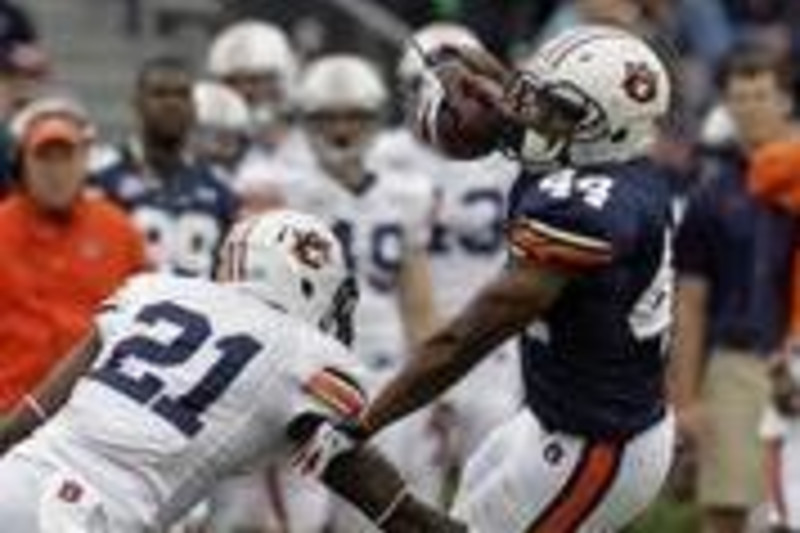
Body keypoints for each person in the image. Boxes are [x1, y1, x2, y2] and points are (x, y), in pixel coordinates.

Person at [319, 25, 678, 531]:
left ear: (604, 129)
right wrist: (474, 63)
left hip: (597, 446)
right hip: (554, 417)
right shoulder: (603, 158)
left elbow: (463, 340)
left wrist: (362, 425)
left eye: (556, 109)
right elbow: (550, 122)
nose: (532, 113)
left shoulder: (586, 212)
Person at [0, 209, 466, 533]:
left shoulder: (151, 292)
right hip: (86, 517)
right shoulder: (302, 357)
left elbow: (31, 416)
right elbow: (386, 503)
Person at [235, 53, 440, 532]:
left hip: (385, 379)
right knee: (297, 520)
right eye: (328, 117)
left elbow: (418, 300)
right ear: (306, 122)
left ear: (374, 120)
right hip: (307, 382)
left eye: (354, 116)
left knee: (371, 520)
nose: (342, 129)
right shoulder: (275, 190)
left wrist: (434, 388)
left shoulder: (407, 193)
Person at [371, 21, 523, 504]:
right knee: (409, 484)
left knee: (497, 483)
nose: (443, 100)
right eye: (423, 87)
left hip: (492, 335)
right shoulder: (383, 157)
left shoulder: (505, 155)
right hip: (411, 338)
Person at [672, 46, 797, 533]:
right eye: (739, 97)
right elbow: (690, 303)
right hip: (737, 360)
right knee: (725, 511)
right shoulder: (712, 194)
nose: (751, 107)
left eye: (762, 95)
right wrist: (686, 400)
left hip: (795, 351)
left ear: (785, 101)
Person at [0, 96, 145, 421]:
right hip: (9, 412)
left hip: (93, 418)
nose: (56, 172)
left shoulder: (119, 230)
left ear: (84, 163)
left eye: (66, 158)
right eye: (44, 159)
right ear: (22, 165)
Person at [91, 56, 238, 278]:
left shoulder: (219, 186)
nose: (172, 103)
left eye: (182, 94)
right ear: (136, 103)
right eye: (159, 93)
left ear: (194, 108)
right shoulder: (102, 177)